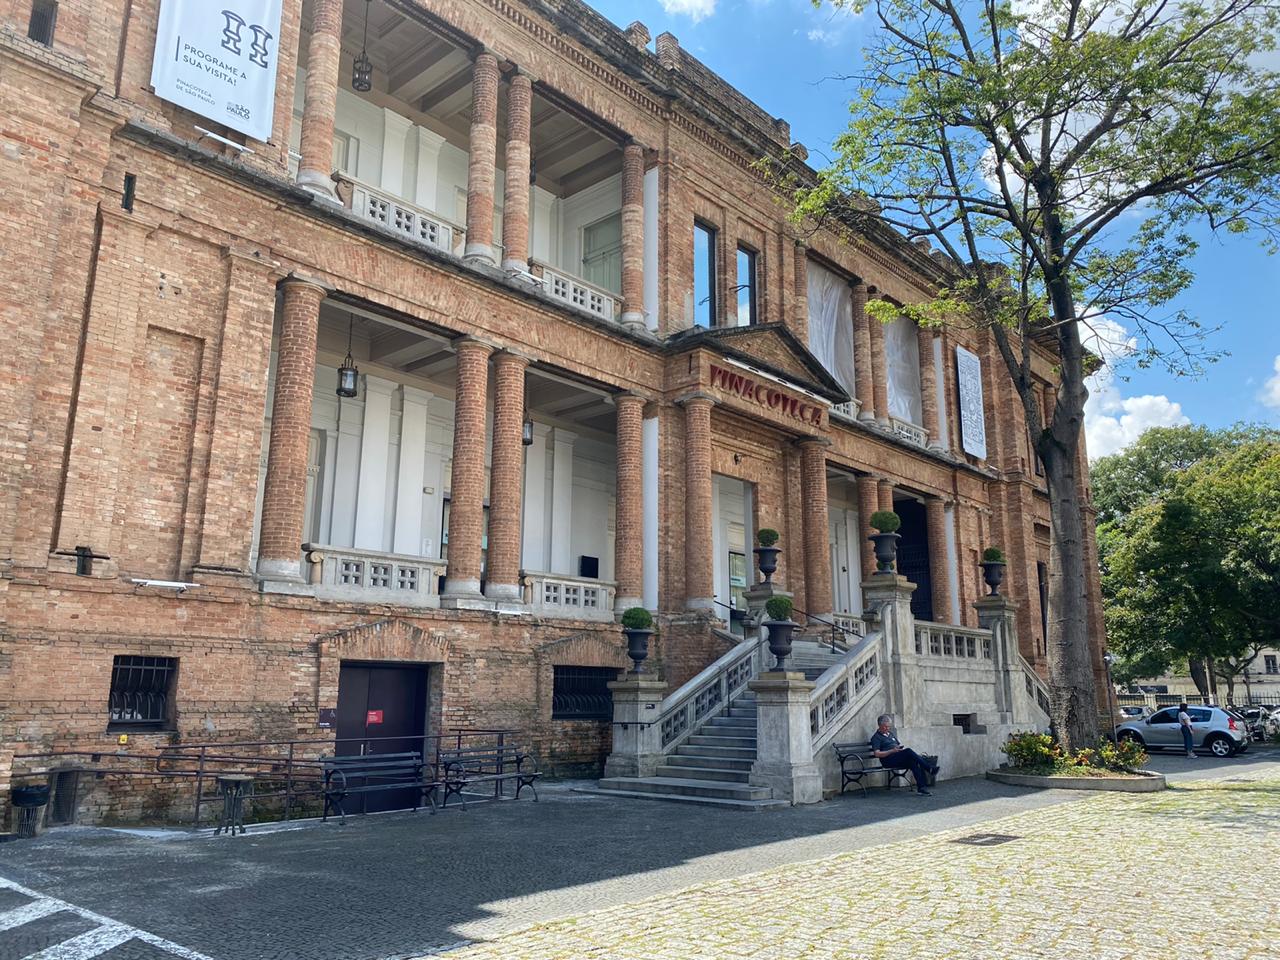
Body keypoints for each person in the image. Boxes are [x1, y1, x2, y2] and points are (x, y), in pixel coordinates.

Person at [869, 714, 939, 796]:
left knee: (913, 762)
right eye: (885, 727)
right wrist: (892, 751)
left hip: (897, 757)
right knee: (908, 751)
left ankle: (921, 788)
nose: (887, 729)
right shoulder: (876, 737)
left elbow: (897, 744)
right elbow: (877, 754)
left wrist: (898, 748)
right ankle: (929, 768)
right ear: (879, 725)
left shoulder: (890, 734)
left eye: (889, 727)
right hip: (887, 760)